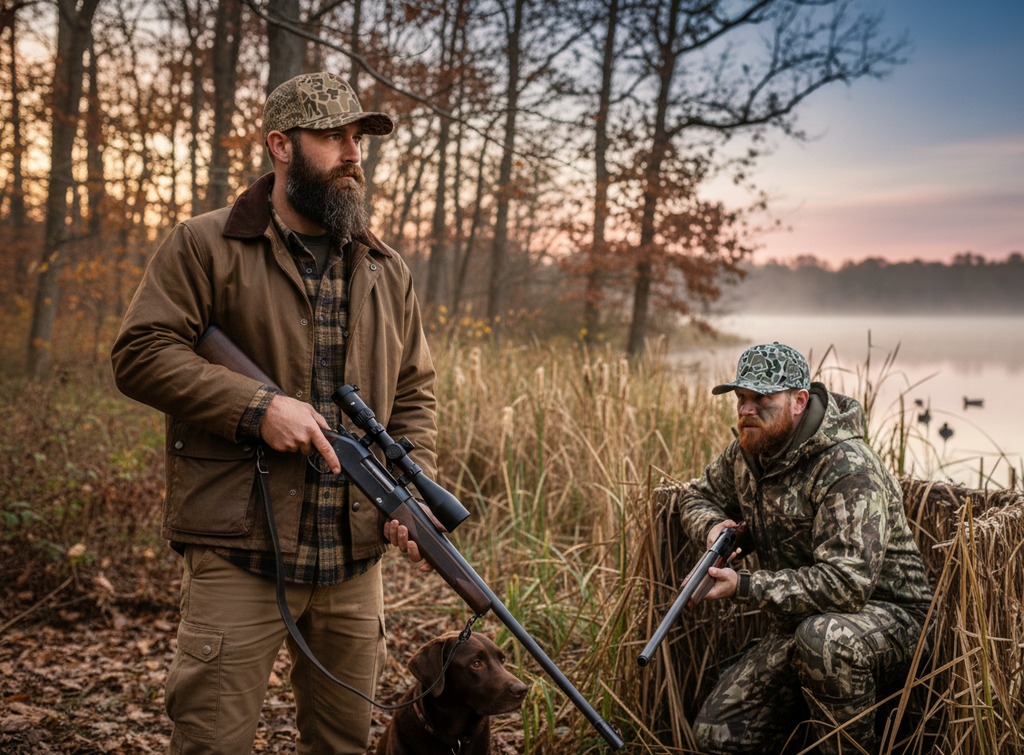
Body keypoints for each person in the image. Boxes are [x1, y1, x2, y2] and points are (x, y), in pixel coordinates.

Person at [111, 72, 437, 755]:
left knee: (343, 745)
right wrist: (257, 407)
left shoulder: (386, 268)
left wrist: (410, 490)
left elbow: (414, 393)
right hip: (241, 549)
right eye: (333, 137)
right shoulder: (204, 244)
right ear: (281, 146)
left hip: (352, 559)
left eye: (357, 138)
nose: (352, 154)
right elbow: (140, 352)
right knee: (212, 741)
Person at [677, 342, 932, 755]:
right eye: (741, 397)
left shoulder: (847, 467)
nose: (746, 409)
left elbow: (846, 585)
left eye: (762, 398)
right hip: (801, 621)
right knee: (716, 733)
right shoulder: (747, 452)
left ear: (799, 401)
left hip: (888, 618)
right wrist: (713, 527)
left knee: (825, 639)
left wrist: (744, 585)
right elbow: (695, 496)